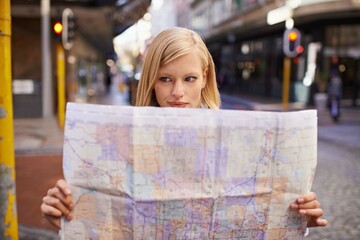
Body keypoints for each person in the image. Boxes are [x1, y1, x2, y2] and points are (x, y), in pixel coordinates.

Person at [41, 27, 327, 231]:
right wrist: (67, 212)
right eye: (165, 78)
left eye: (189, 78)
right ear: (152, 81)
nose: (177, 91)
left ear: (205, 78)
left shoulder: (238, 142)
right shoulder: (119, 141)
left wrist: (296, 216)